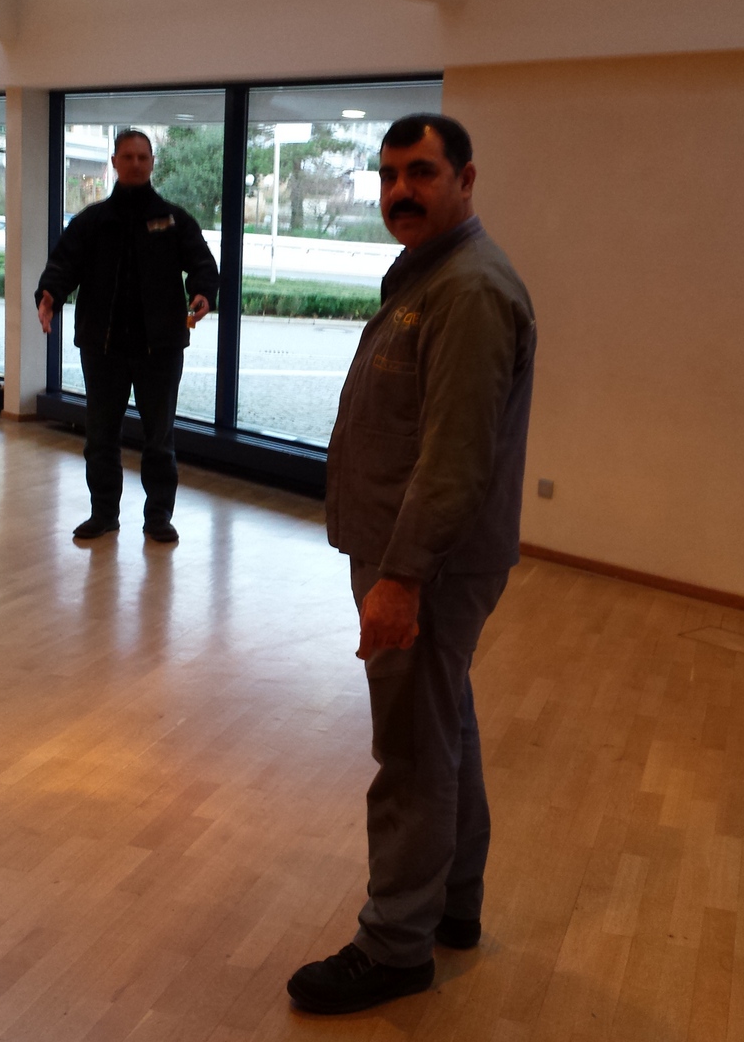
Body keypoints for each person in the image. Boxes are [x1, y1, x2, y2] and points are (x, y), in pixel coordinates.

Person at [287, 114, 536, 1014]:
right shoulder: (431, 274)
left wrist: (401, 578)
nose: (401, 190)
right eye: (389, 174)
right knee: (442, 725)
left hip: (425, 565)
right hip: (412, 554)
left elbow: (455, 459)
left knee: (412, 749)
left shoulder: (467, 290)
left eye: (422, 172)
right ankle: (452, 906)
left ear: (465, 179)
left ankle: (395, 946)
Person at [36, 129, 220, 543]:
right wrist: (49, 295)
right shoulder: (93, 222)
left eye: (143, 157)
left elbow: (203, 264)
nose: (136, 163)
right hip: (103, 349)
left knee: (159, 439)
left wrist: (203, 292)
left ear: (152, 163)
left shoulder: (173, 220)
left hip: (161, 348)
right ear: (115, 162)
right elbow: (63, 266)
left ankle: (158, 517)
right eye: (128, 157)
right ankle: (104, 514)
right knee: (100, 437)